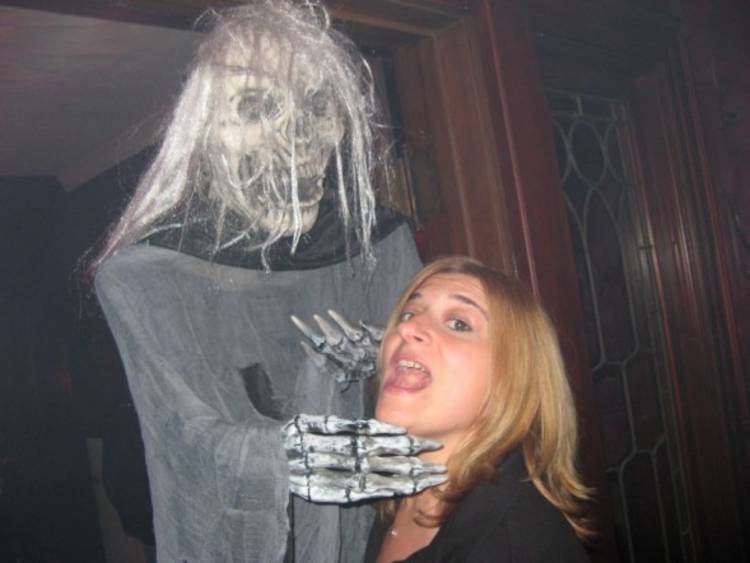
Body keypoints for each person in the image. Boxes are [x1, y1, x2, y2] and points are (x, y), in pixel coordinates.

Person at [92, 2, 440, 562]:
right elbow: (187, 441)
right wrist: (308, 457)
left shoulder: (377, 245)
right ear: (207, 132)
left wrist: (381, 364)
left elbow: (436, 397)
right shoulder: (149, 278)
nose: (299, 135)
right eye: (256, 106)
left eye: (318, 105)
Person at [364, 256, 593, 562]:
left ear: (511, 378)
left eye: (459, 323)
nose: (407, 328)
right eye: (408, 313)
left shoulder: (508, 541)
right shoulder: (395, 494)